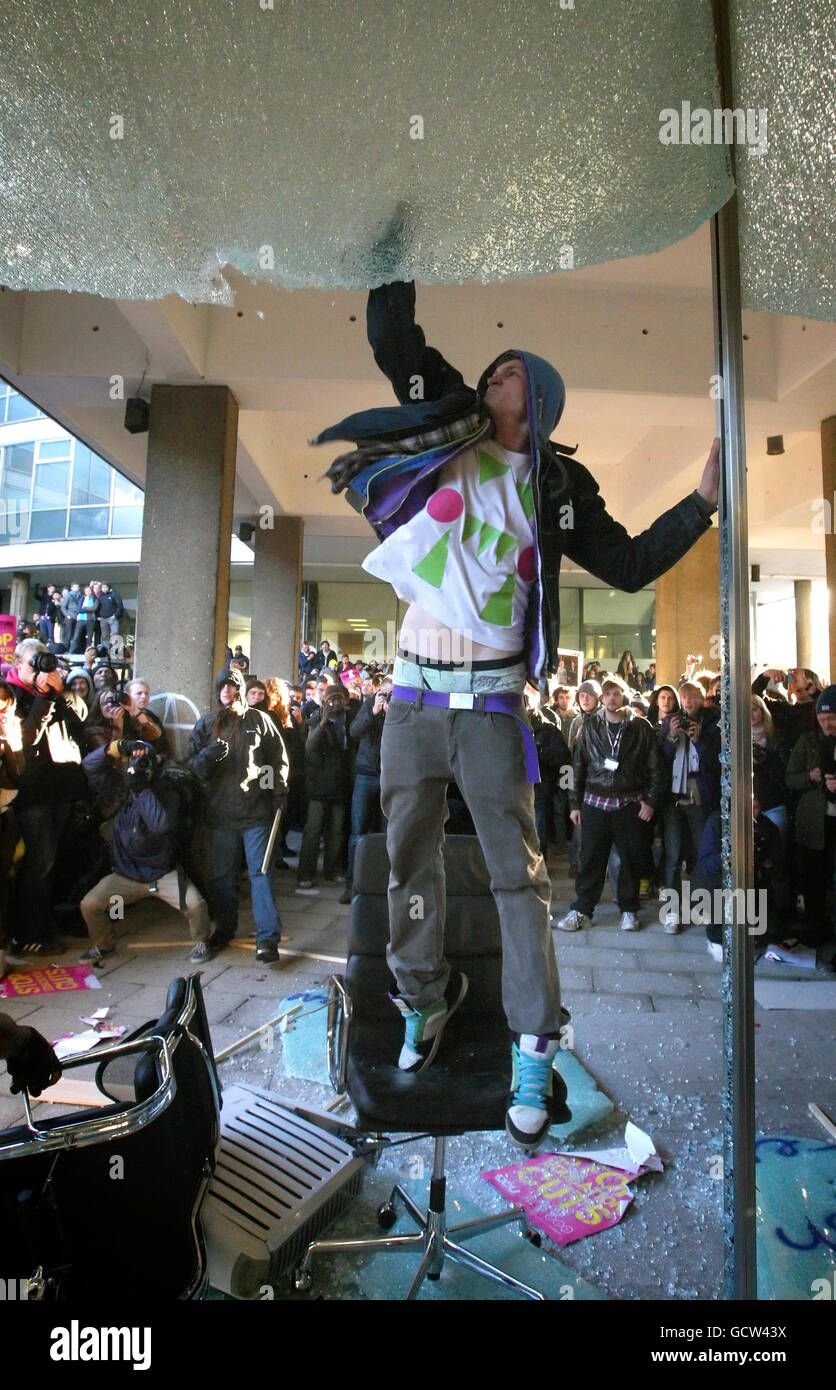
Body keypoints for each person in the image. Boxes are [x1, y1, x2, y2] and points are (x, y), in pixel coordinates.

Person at [312, 275, 719, 1149]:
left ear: (537, 400)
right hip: (412, 697)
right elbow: (397, 347)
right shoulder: (449, 427)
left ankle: (535, 1044)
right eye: (490, 369)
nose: (491, 374)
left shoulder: (558, 486)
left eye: (507, 372)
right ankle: (423, 997)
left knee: (518, 877)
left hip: (493, 704)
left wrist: (703, 503)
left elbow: (628, 564)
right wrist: (393, 257)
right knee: (406, 856)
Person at [79, 738, 212, 964]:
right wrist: (116, 747)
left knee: (195, 904)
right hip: (126, 875)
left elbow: (160, 824)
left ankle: (202, 941)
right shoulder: (120, 789)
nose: (139, 769)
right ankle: (104, 943)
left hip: (161, 874)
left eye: (145, 765)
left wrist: (141, 789)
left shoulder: (167, 791)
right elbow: (90, 765)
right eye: (134, 764)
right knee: (90, 904)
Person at [189, 669, 288, 963]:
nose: (227, 691)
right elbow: (194, 769)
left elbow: (275, 759)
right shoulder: (207, 723)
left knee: (261, 874)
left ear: (240, 690)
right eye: (223, 686)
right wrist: (207, 757)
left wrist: (276, 792)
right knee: (222, 877)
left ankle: (267, 938)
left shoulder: (259, 720)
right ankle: (224, 929)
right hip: (220, 813)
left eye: (232, 686)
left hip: (255, 810)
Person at [557, 675, 665, 933]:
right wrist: (574, 804)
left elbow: (656, 768)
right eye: (607, 694)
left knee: (629, 859)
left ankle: (629, 909)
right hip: (594, 801)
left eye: (617, 693)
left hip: (628, 802)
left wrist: (651, 801)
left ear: (623, 696)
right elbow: (578, 767)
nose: (612, 698)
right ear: (602, 698)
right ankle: (582, 909)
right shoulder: (590, 727)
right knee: (591, 859)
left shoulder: (640, 727)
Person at [5, 639, 87, 954]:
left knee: (53, 862)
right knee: (39, 864)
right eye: (32, 663)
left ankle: (45, 923)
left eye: (43, 661)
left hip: (61, 788)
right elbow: (25, 740)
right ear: (17, 664)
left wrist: (59, 690)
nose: (39, 669)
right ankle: (29, 934)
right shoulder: (9, 695)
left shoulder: (56, 690)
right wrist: (43, 697)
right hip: (33, 793)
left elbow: (80, 718)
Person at [297, 684, 354, 890]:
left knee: (336, 831)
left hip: (339, 783)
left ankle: (333, 869)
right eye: (331, 700)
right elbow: (310, 747)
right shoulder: (316, 718)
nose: (335, 703)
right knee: (313, 831)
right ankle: (305, 873)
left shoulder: (348, 720)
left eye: (339, 699)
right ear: (325, 701)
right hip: (319, 784)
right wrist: (323, 722)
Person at [0, 1014, 61, 1095]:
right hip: (18, 1068)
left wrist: (56, 1068)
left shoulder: (30, 1037)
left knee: (36, 1087)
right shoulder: (9, 1047)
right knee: (18, 1085)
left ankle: (33, 1086)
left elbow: (47, 1051)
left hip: (37, 1067)